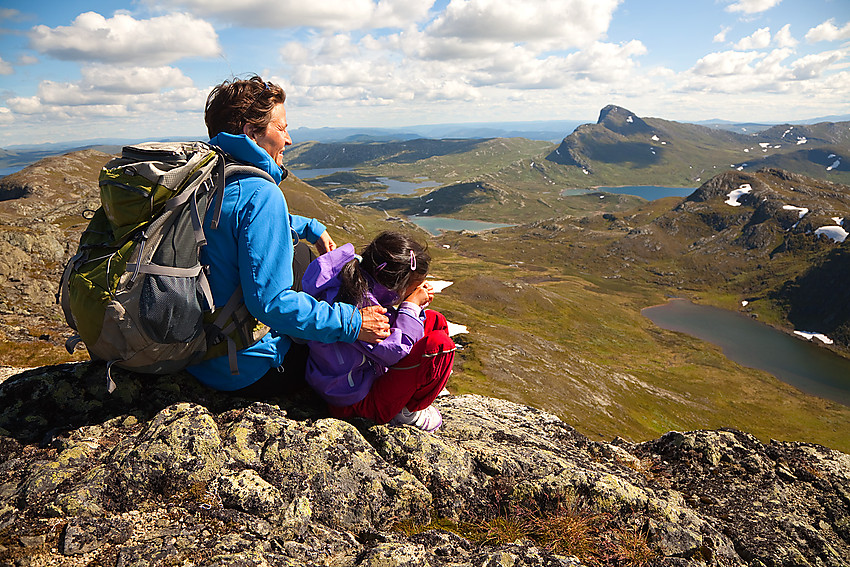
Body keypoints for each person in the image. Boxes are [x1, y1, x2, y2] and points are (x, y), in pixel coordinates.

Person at [186, 75, 391, 393]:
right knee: (351, 366)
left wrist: (310, 227)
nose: (289, 139)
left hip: (200, 352)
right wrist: (355, 324)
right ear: (251, 133)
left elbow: (235, 223)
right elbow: (270, 304)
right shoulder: (259, 194)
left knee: (303, 254)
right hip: (243, 368)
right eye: (280, 128)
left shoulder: (208, 177)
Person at [302, 231, 456, 432]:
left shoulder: (354, 282)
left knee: (435, 320)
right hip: (355, 402)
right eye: (412, 287)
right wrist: (410, 306)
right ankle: (406, 411)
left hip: (352, 380)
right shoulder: (363, 309)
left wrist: (412, 304)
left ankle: (409, 395)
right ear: (394, 286)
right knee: (440, 346)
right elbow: (394, 352)